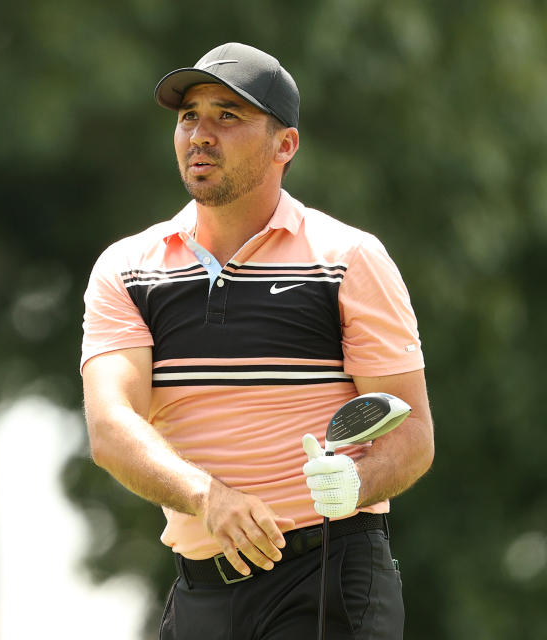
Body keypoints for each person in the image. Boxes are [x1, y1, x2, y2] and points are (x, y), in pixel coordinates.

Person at [79, 42, 434, 639]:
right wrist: (208, 497)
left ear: (285, 145)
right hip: (199, 587)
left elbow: (413, 437)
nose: (200, 134)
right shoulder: (127, 269)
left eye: (228, 116)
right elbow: (112, 428)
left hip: (327, 576)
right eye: (190, 115)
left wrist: (355, 483)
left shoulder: (348, 259)